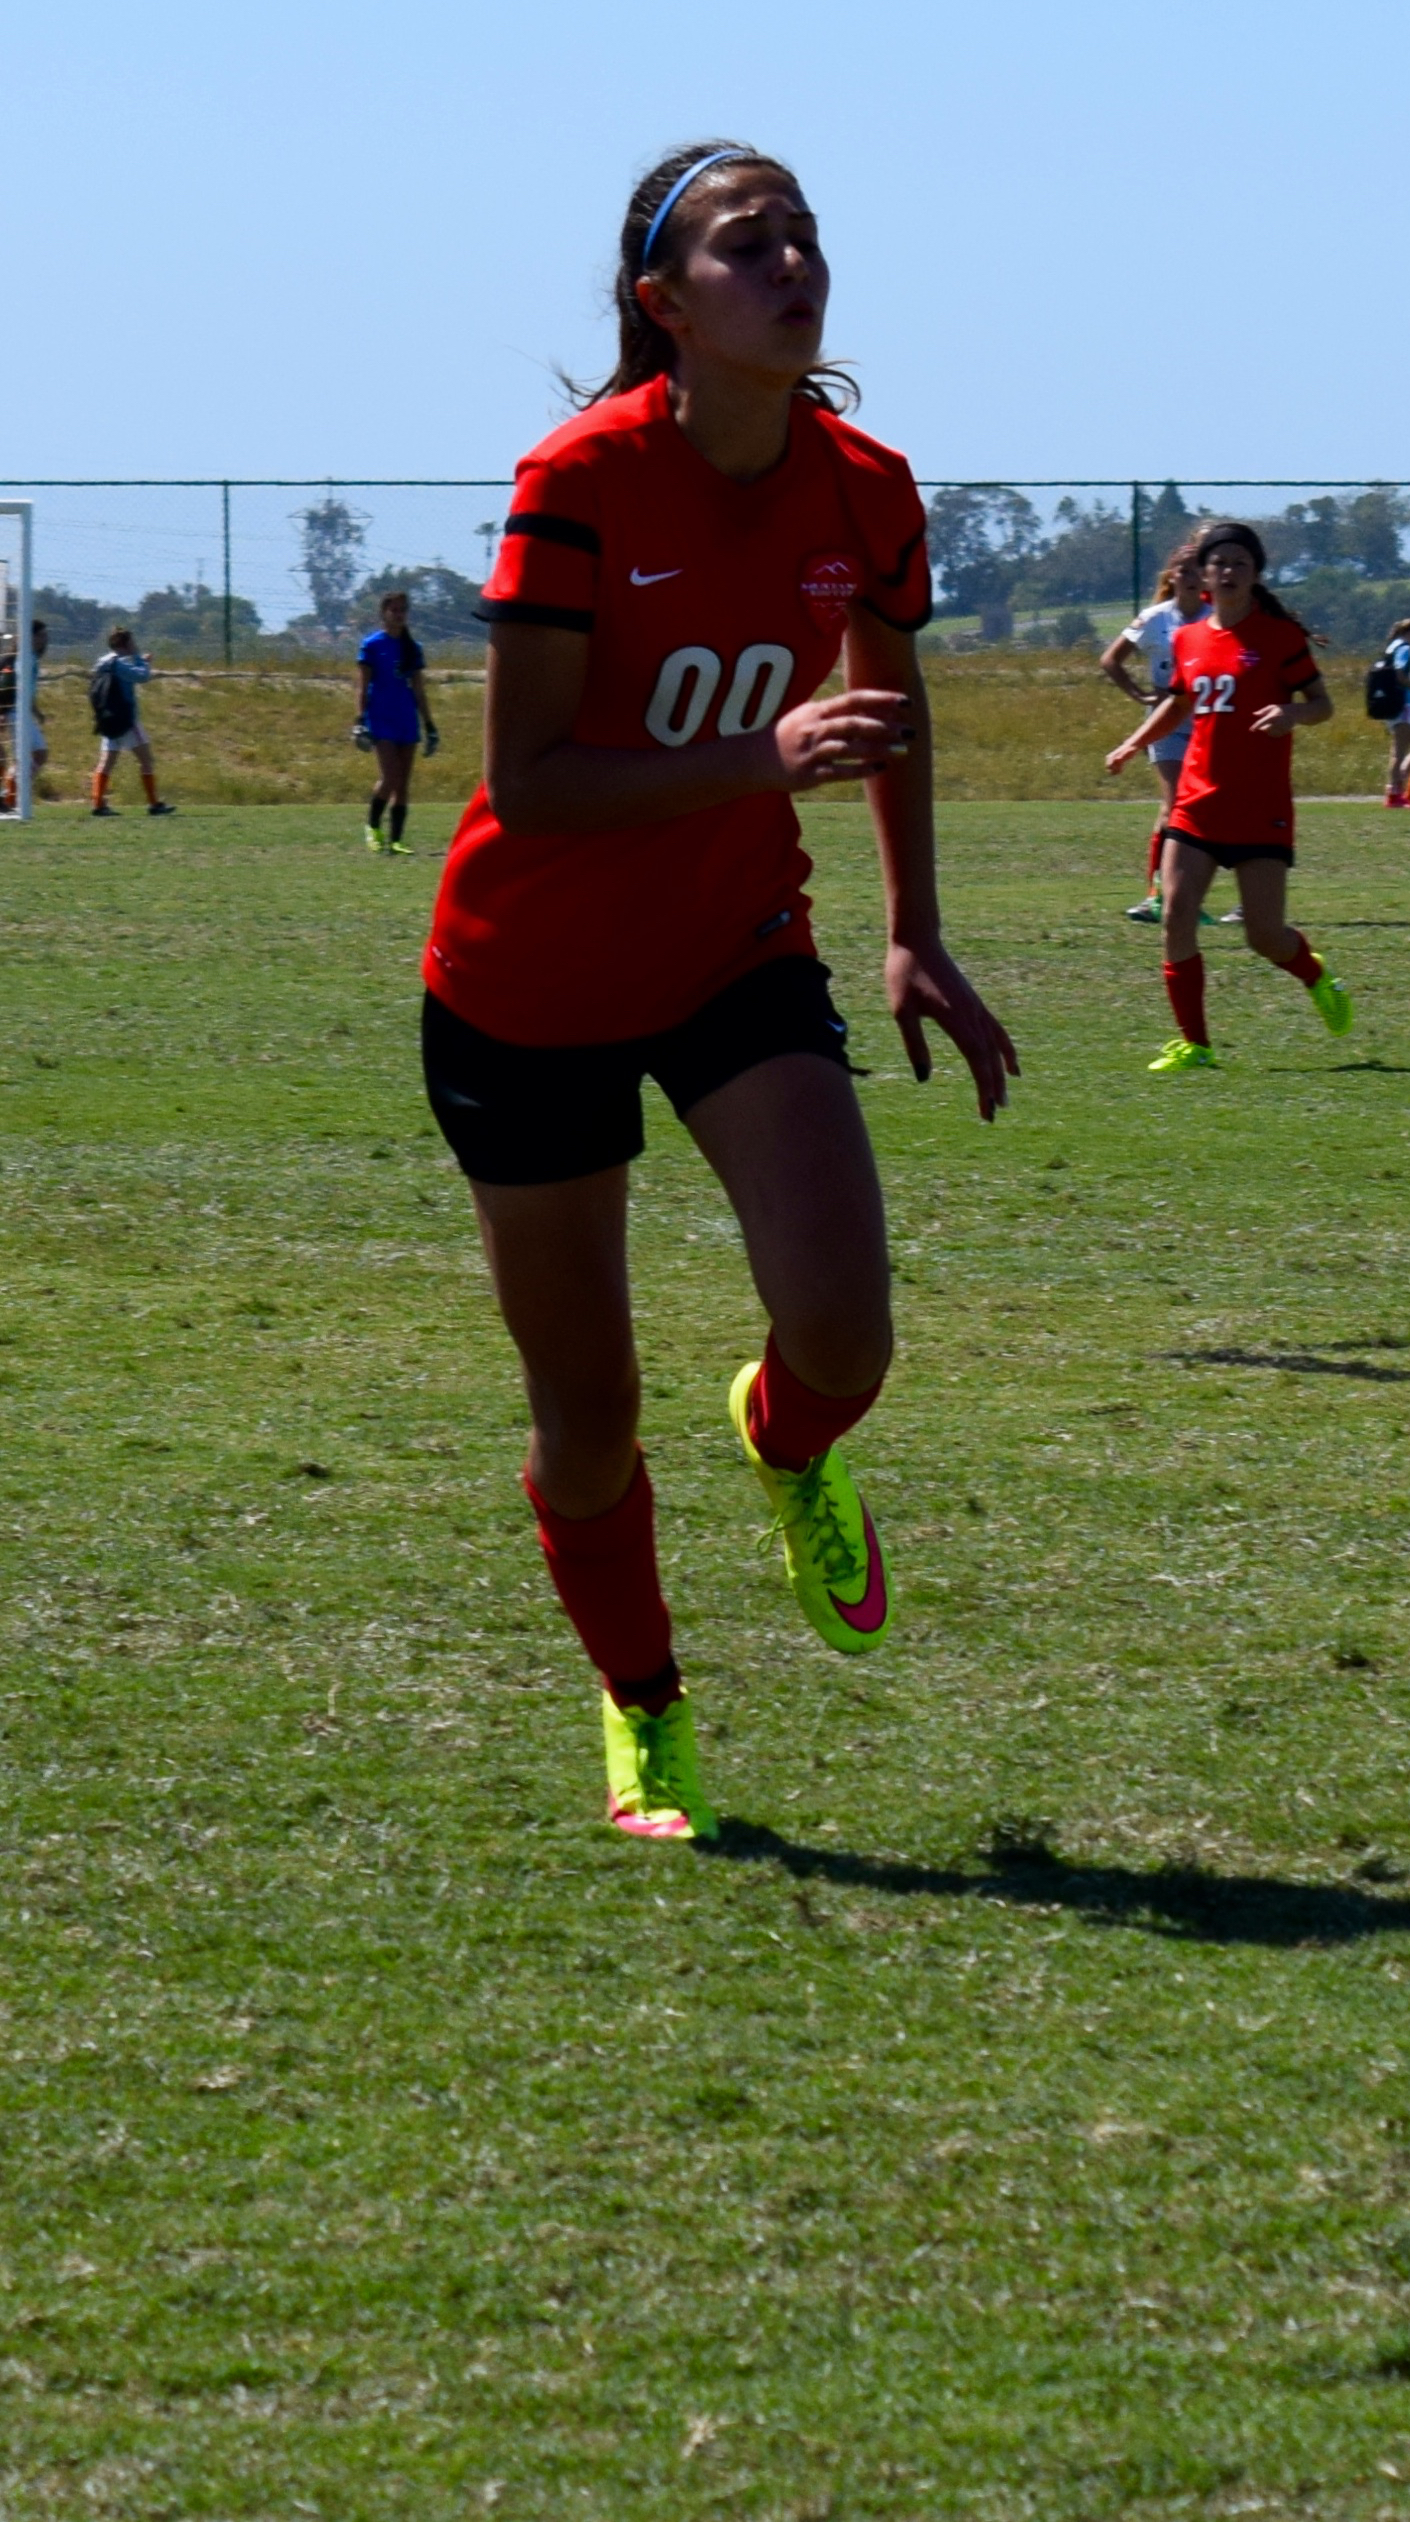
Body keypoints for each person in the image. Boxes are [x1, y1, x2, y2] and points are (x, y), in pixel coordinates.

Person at [425, 140, 1017, 1842]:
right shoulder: (581, 480)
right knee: (589, 1418)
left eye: (805, 236)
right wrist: (757, 751)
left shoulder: (868, 485)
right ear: (663, 299)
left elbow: (887, 714)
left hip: (733, 950)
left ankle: (781, 1435)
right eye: (747, 244)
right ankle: (645, 1700)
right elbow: (530, 780)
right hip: (524, 983)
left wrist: (912, 926)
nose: (792, 262)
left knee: (845, 1329)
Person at [1102, 518, 1353, 1070]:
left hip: (1260, 809)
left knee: (1263, 937)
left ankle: (1315, 974)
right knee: (1175, 915)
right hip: (1196, 804)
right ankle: (1195, 1044)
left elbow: (1323, 704)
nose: (1229, 571)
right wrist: (1130, 744)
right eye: (1219, 564)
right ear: (1203, 577)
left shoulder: (1279, 639)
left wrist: (1293, 713)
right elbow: (1175, 703)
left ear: (1256, 573)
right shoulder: (1187, 638)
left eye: (1240, 563)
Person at [1100, 554, 1207, 922]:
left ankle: (1227, 895)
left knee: (1214, 806)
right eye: (1185, 570)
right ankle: (1158, 895)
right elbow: (1111, 659)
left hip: (1210, 721)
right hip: (1169, 721)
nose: (1192, 577)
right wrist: (1141, 695)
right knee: (1176, 803)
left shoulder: (1217, 617)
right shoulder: (1155, 618)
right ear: (1173, 576)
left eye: (1199, 570)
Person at [355, 589, 440, 854]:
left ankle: (396, 840)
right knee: (390, 777)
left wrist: (429, 725)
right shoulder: (372, 645)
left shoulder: (412, 649)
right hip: (381, 719)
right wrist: (359, 720)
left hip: (406, 720)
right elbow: (362, 685)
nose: (399, 614)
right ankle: (372, 826)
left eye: (403, 610)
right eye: (394, 610)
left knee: (403, 782)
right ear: (383, 613)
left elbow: (419, 689)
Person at [86, 627, 169, 816]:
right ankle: (154, 803)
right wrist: (142, 660)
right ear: (125, 644)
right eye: (132, 642)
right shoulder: (120, 664)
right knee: (146, 760)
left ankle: (98, 803)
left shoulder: (102, 663)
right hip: (126, 719)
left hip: (107, 718)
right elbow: (142, 676)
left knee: (106, 762)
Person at [1367, 615, 1410, 806]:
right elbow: (1399, 674)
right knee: (1402, 751)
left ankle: (1397, 786)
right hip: (1402, 704)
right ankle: (1394, 792)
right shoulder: (1404, 648)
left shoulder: (1391, 647)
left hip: (1393, 703)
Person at [0, 618, 44, 814]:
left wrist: (36, 712)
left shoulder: (32, 658)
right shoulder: (14, 660)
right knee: (14, 758)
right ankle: (10, 798)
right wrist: (3, 712)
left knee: (39, 755)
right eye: (41, 636)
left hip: (23, 713)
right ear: (30, 637)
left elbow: (28, 690)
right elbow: (7, 688)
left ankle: (10, 796)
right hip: (13, 713)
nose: (45, 640)